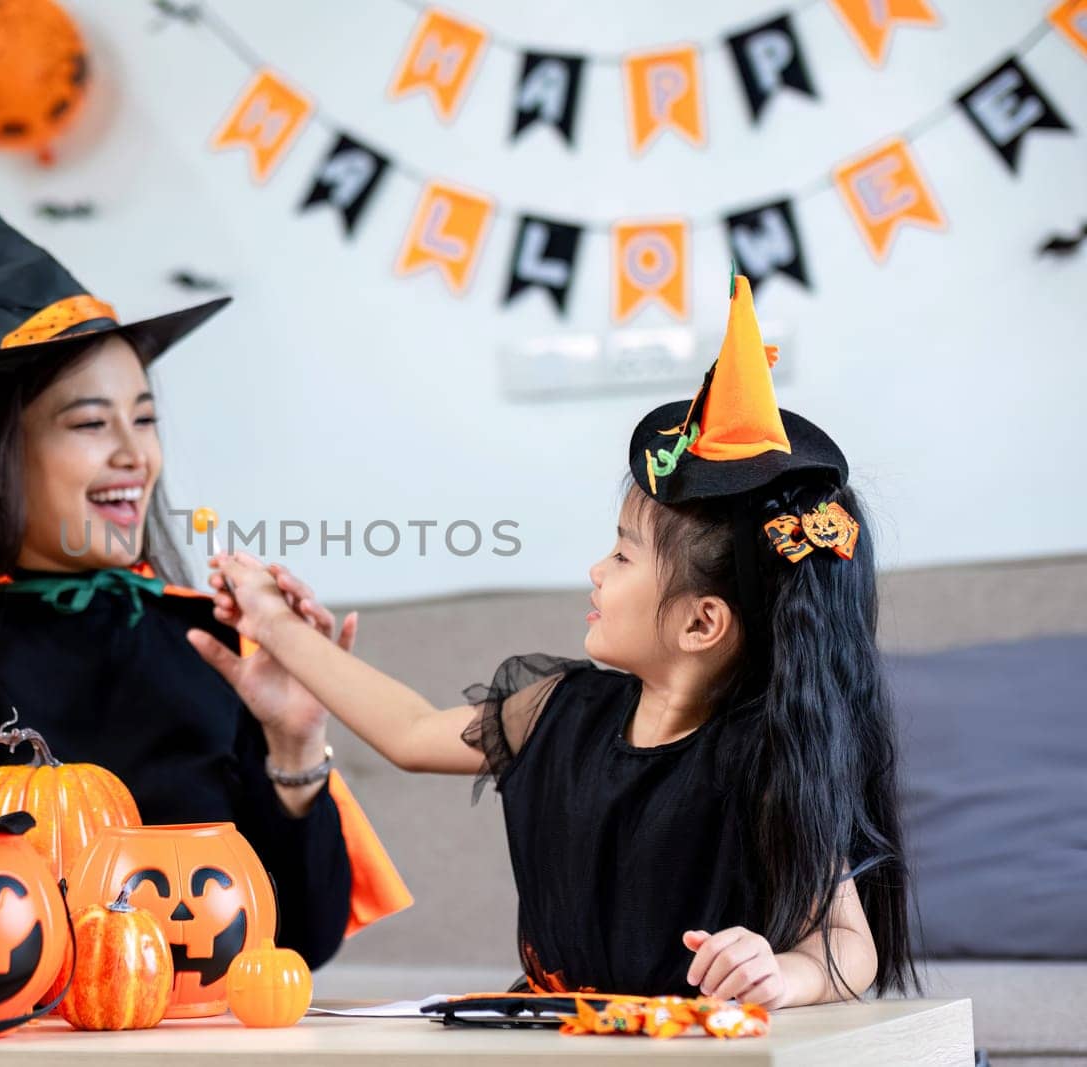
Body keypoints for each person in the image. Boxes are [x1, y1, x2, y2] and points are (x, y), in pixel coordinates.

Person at [0, 95, 410, 971]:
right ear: (0, 458)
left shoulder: (213, 640)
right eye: (87, 423)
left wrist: (295, 744)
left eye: (143, 419)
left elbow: (298, 940)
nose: (132, 455)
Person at [201, 276, 915, 1006]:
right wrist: (275, 625)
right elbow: (410, 731)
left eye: (624, 554)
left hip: (690, 1048)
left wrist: (783, 972)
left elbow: (849, 944)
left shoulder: (765, 758)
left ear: (702, 622)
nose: (596, 571)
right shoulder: (557, 712)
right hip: (558, 1036)